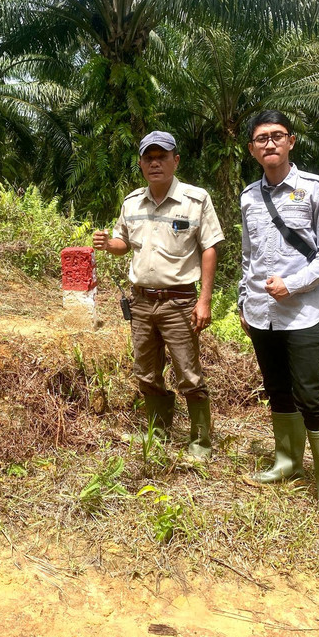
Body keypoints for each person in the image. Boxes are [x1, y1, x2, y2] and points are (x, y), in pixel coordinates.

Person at [239, 110, 319, 522]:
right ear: (252, 148)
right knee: (277, 388)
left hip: (302, 311)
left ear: (291, 142)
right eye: (261, 138)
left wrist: (294, 284)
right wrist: (243, 302)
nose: (270, 144)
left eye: (277, 136)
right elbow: (249, 256)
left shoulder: (317, 189)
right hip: (261, 312)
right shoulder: (249, 196)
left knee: (310, 394)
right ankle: (286, 461)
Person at [93, 131, 224, 458]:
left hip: (180, 301)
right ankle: (159, 432)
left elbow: (209, 248)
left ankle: (200, 441)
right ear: (140, 163)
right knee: (146, 372)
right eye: (148, 158)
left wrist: (204, 300)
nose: (155, 163)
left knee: (188, 374)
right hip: (141, 302)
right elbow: (125, 243)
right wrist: (110, 245)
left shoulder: (196, 200)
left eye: (162, 156)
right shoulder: (131, 202)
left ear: (175, 160)